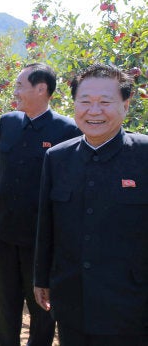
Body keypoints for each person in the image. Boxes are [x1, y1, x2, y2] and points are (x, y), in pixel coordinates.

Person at [34, 64, 148, 345]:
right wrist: (41, 277)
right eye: (85, 102)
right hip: (73, 297)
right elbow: (46, 224)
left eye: (105, 102)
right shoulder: (58, 158)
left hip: (132, 304)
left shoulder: (144, 155)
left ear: (125, 103)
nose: (94, 111)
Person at [0, 63, 80, 346]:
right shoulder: (7, 122)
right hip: (7, 231)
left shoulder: (67, 130)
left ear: (41, 89)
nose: (15, 92)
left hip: (42, 238)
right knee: (4, 301)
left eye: (20, 86)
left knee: (42, 305)